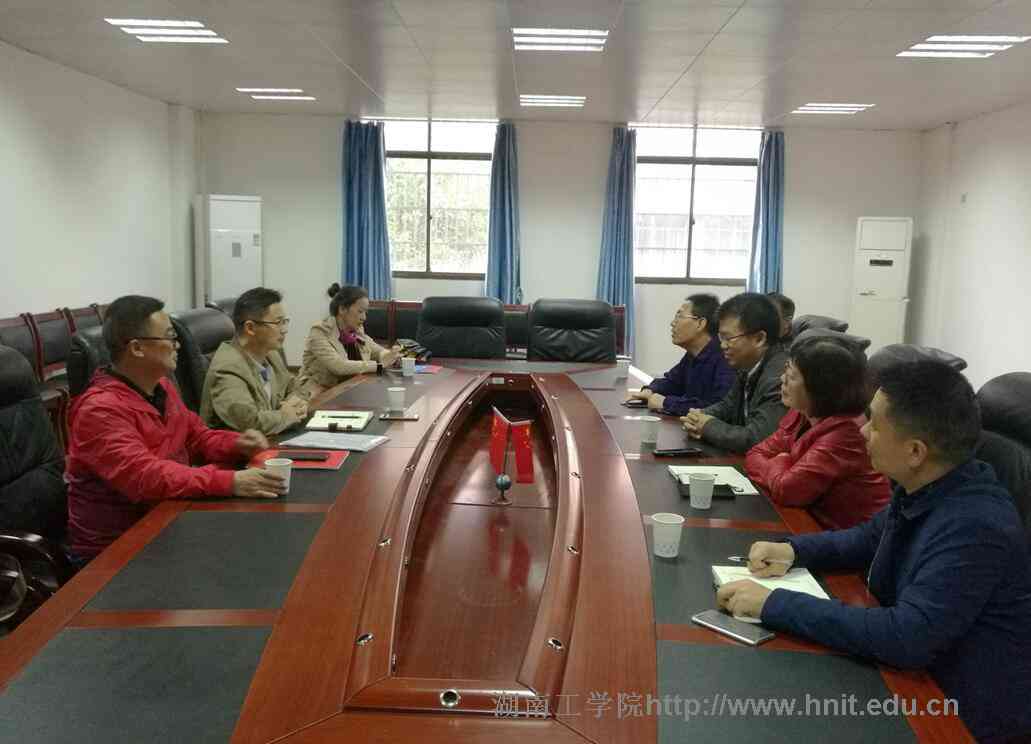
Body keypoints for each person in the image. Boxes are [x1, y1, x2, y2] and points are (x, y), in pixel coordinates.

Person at [718, 361, 1031, 743]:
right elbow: (868, 539)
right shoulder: (929, 484)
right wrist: (791, 550)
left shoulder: (976, 525)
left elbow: (907, 636)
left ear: (915, 451)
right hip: (912, 676)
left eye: (876, 425)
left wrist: (773, 604)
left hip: (954, 713)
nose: (863, 431)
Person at [65, 295, 287, 562]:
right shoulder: (99, 410)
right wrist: (230, 481)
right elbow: (146, 477)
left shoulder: (161, 387)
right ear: (137, 348)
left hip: (167, 518)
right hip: (116, 550)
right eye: (170, 337)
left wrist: (237, 443)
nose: (177, 344)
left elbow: (197, 437)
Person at [745, 335, 890, 529]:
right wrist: (782, 470)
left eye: (792, 376)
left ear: (820, 387)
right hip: (809, 522)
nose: (782, 379)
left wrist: (781, 460)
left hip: (848, 537)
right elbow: (755, 454)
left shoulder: (846, 433)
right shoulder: (802, 411)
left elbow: (788, 490)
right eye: (785, 370)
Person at [681, 293, 788, 453]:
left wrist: (707, 426)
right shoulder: (747, 366)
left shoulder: (779, 377)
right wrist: (698, 416)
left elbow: (757, 439)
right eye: (720, 338)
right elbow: (727, 406)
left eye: (728, 338)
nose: (722, 346)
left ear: (759, 338)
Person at [201, 287, 308, 435]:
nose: (284, 329)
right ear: (250, 328)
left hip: (272, 440)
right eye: (278, 322)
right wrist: (287, 415)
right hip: (239, 449)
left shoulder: (270, 354)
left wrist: (295, 404)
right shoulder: (227, 369)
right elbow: (249, 423)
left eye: (285, 321)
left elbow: (295, 387)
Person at [627, 294, 735, 416]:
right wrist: (650, 390)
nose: (672, 323)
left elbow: (718, 407)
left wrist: (665, 403)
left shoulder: (725, 357)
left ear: (700, 323)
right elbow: (672, 382)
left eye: (679, 316)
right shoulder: (693, 354)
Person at [296, 284, 401, 398]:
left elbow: (376, 350)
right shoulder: (320, 332)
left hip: (346, 390)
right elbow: (338, 366)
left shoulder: (356, 331)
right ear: (342, 309)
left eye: (366, 312)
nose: (364, 317)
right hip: (316, 393)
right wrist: (379, 366)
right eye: (360, 311)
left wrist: (390, 355)